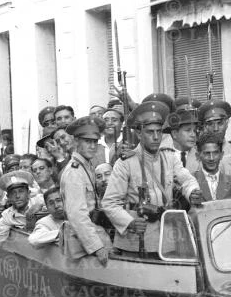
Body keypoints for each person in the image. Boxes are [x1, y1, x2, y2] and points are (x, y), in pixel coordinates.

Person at [102, 101, 203, 255]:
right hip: (135, 240)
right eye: (150, 132)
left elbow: (186, 179)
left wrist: (193, 191)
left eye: (159, 131)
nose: (156, 137)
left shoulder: (169, 157)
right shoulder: (125, 163)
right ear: (139, 133)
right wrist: (130, 222)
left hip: (166, 238)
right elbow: (109, 203)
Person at [59, 116, 110, 263]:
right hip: (81, 243)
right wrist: (97, 247)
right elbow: (77, 214)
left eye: (95, 141)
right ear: (76, 142)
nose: (92, 146)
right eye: (87, 141)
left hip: (91, 233)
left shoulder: (85, 167)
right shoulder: (74, 171)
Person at [0, 170, 45, 249]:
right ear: (8, 197)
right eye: (13, 193)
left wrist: (39, 206)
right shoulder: (7, 216)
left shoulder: (40, 200)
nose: (17, 196)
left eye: (21, 191)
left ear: (28, 193)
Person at [192, 131, 231, 201]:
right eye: (207, 153)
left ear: (221, 155)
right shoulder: (190, 180)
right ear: (198, 156)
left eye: (215, 153)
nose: (211, 158)